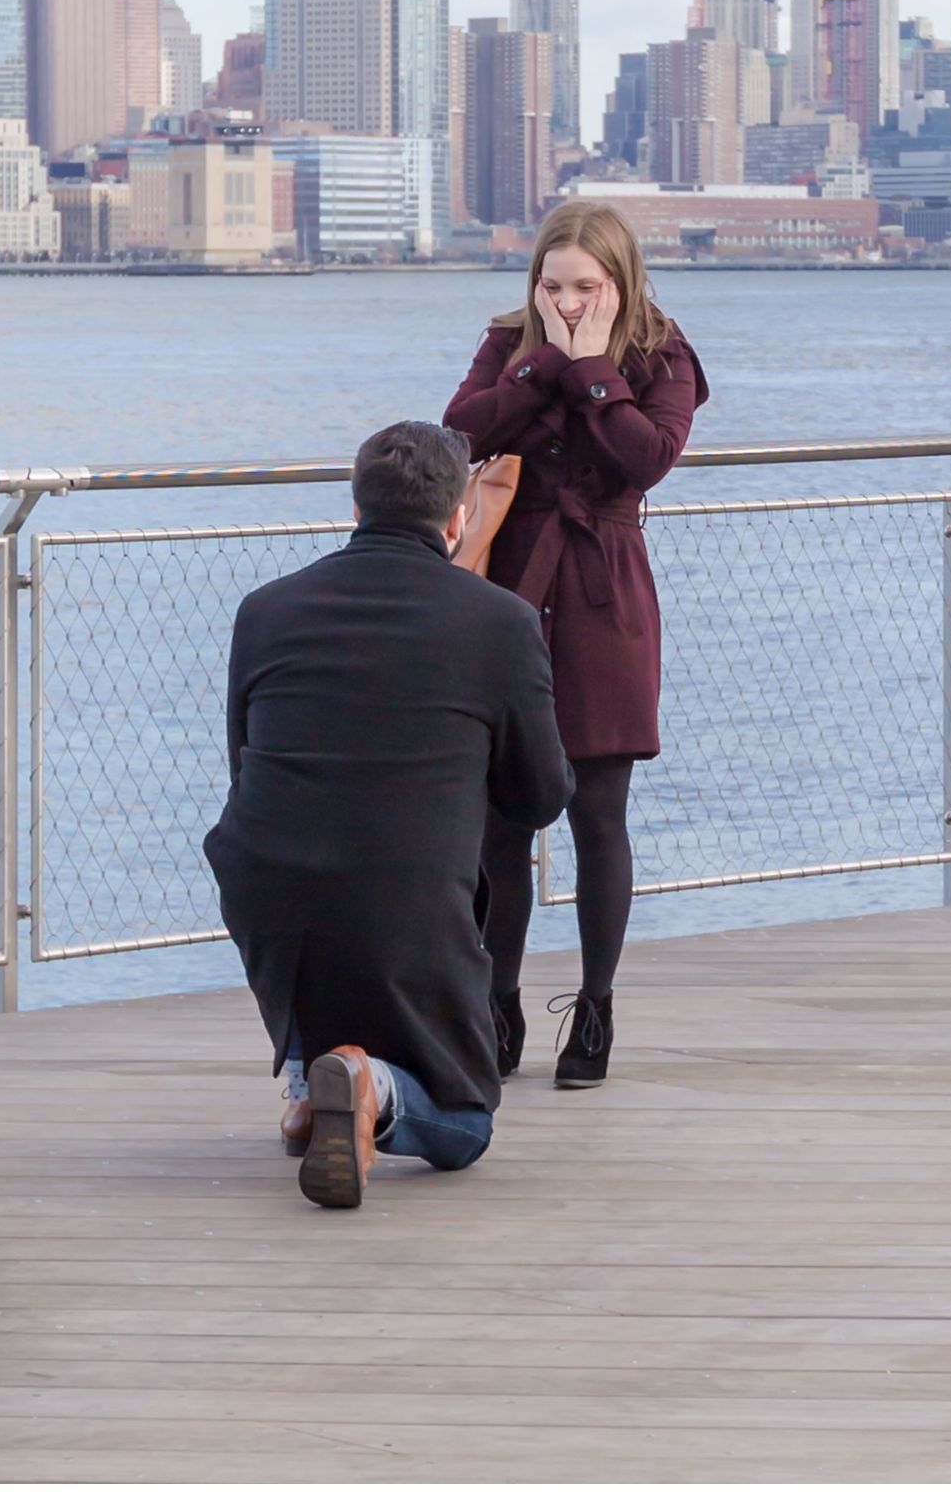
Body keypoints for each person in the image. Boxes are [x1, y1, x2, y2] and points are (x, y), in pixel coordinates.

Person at [203, 419, 573, 1210]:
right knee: (467, 1123)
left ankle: (313, 1080)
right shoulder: (499, 620)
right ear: (458, 517)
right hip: (408, 897)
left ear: (357, 505)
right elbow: (541, 793)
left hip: (269, 888)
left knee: (304, 871)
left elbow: (245, 762)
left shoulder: (265, 608)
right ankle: (371, 1089)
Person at [444, 197, 708, 1090]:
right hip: (511, 591)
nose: (562, 299)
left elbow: (648, 456)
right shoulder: (511, 340)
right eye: (550, 284)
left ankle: (594, 1008)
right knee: (500, 824)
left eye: (583, 286)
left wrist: (594, 368)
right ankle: (498, 1004)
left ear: (620, 281)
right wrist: (544, 362)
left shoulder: (661, 353)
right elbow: (460, 431)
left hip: (604, 590)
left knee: (600, 813)